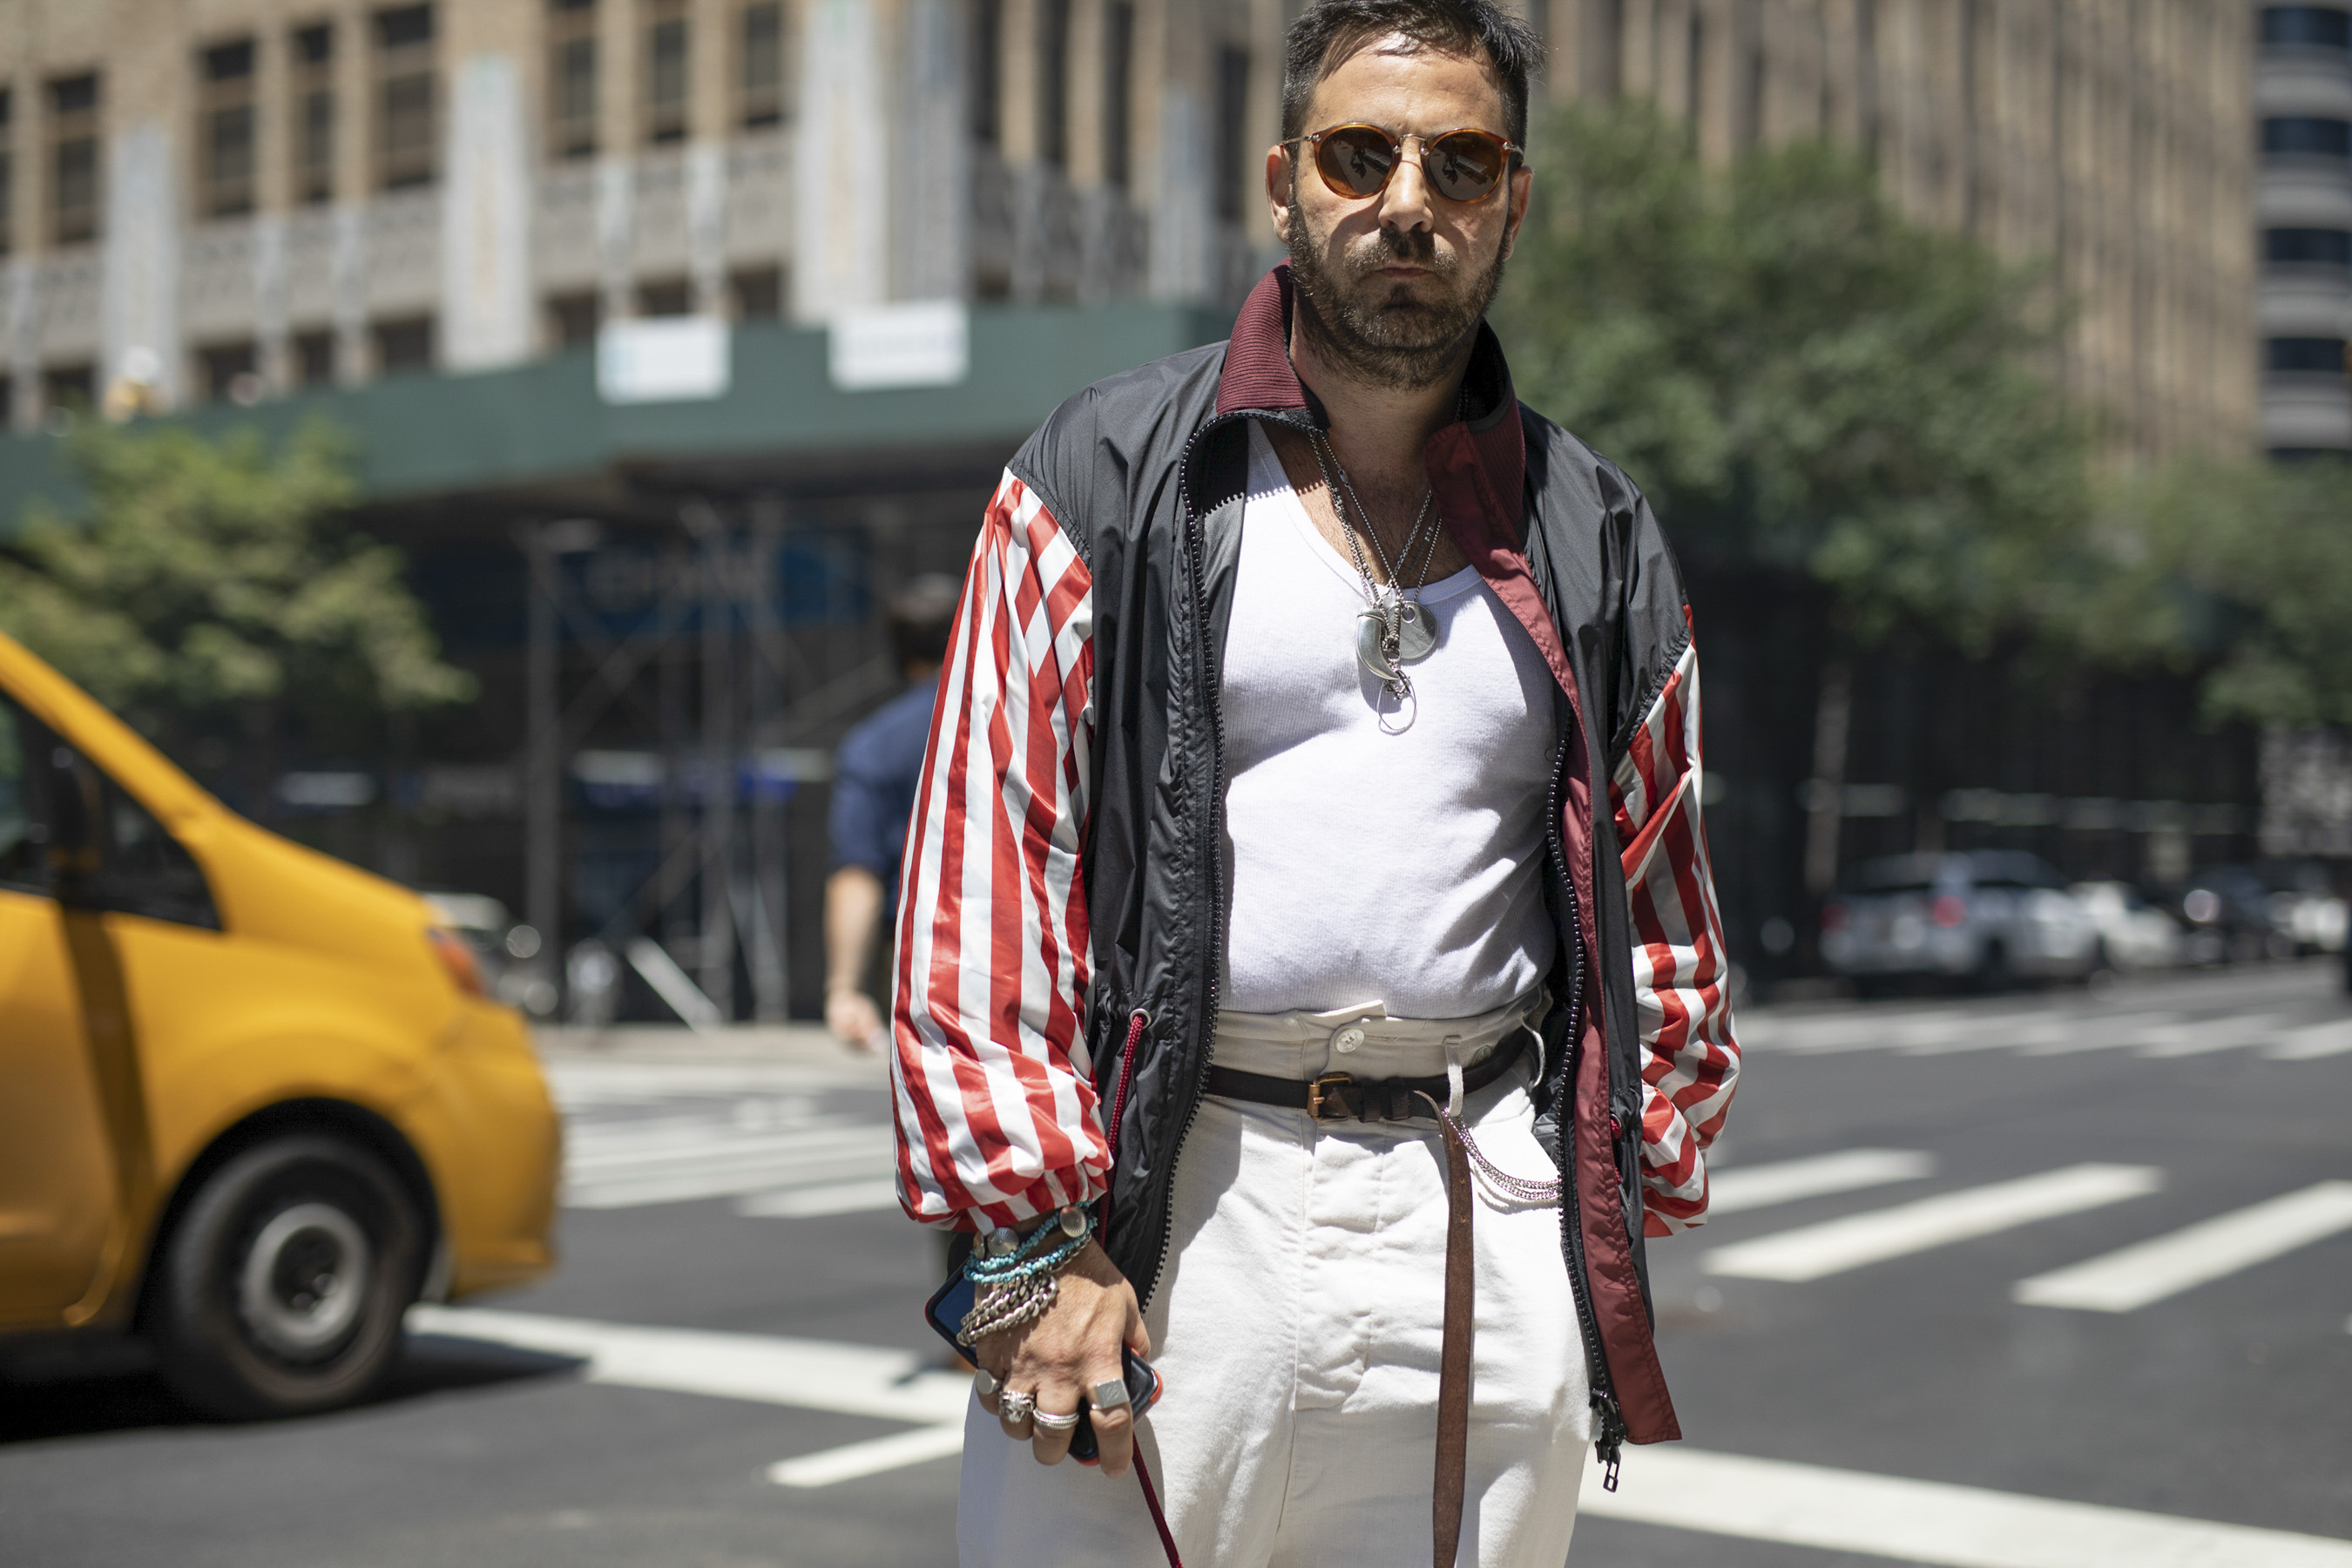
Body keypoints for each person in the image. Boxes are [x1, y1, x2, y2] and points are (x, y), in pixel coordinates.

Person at [890, 2, 1741, 1563]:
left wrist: (1612, 1190)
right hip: (1169, 1207)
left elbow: (1663, 899)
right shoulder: (1099, 474)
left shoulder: (1596, 530)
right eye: (1362, 156)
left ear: (1512, 201)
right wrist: (1031, 1243)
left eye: (1460, 164)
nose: (1408, 201)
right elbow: (989, 865)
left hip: (1482, 1205)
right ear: (1285, 183)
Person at [824, 574, 960, 1051]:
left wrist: (844, 989)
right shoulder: (1024, 721)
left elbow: (857, 872)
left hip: (923, 960)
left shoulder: (874, 745)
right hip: (1031, 942)